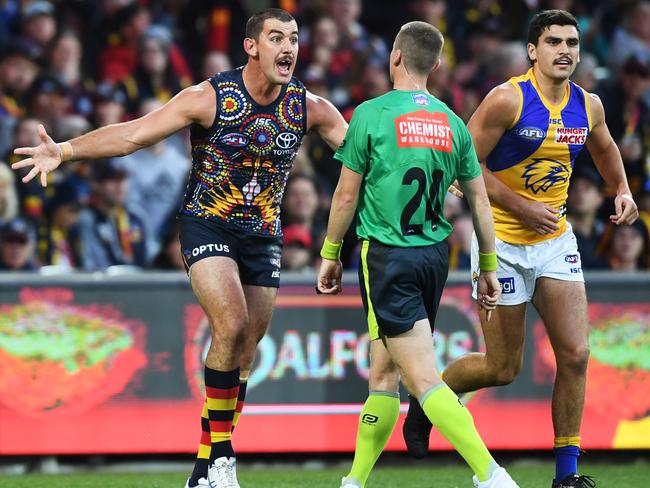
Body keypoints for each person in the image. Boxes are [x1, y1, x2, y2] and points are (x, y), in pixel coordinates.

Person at [11, 8, 348, 488]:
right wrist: (63, 151)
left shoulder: (310, 108)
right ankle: (224, 456)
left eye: (294, 38)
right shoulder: (209, 97)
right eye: (276, 38)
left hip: (263, 234)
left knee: (246, 348)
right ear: (251, 46)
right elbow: (132, 134)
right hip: (206, 224)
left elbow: (361, 156)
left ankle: (203, 469)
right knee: (229, 324)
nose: (288, 48)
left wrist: (434, 167)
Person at [403, 10, 639, 488]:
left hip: (554, 243)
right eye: (554, 42)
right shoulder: (508, 99)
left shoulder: (588, 104)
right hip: (502, 244)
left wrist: (622, 189)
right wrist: (522, 206)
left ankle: (566, 475)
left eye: (572, 42)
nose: (565, 51)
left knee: (575, 353)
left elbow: (606, 148)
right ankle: (428, 397)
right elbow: (459, 163)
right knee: (501, 367)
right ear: (533, 50)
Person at [317, 21, 518, 488]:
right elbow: (480, 200)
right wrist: (488, 265)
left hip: (388, 256)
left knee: (424, 379)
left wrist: (330, 252)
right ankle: (355, 481)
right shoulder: (452, 122)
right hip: (433, 257)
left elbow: (346, 196)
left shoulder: (371, 114)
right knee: (384, 371)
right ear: (437, 64)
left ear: (396, 58)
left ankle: (491, 474)